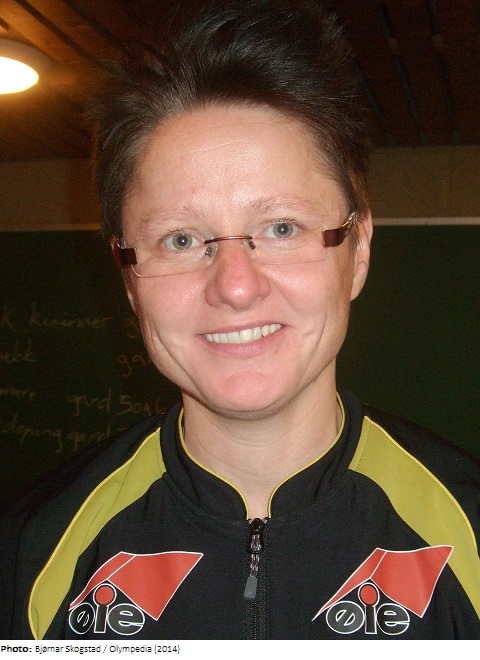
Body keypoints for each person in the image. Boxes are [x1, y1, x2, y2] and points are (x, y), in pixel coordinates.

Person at [1, 0, 479, 641]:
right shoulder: (32, 550)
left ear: (358, 251)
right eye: (180, 239)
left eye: (281, 228)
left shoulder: (469, 532)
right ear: (129, 279)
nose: (234, 286)